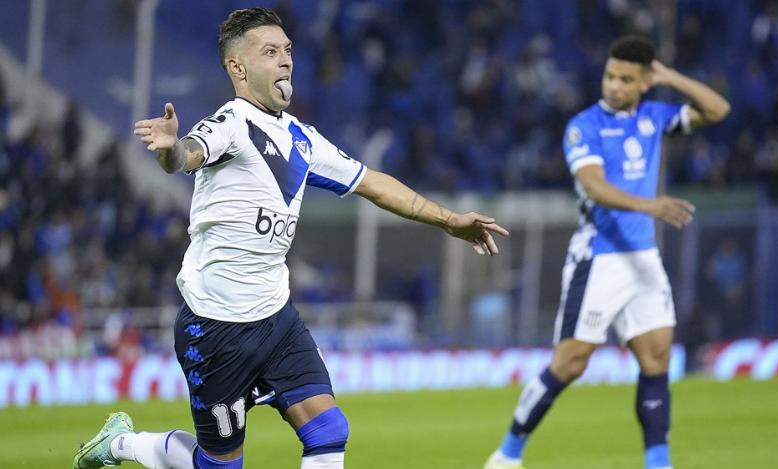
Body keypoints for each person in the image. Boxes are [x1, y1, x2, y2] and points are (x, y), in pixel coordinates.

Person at [73, 8, 508, 469]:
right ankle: (121, 444)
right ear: (237, 68)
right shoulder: (230, 123)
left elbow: (373, 183)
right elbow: (188, 153)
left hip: (276, 319)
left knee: (328, 429)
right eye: (270, 52)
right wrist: (170, 150)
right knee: (219, 465)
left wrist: (448, 220)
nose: (285, 61)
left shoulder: (302, 138)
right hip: (217, 327)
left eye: (287, 51)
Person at [484, 35, 729, 469]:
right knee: (570, 363)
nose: (614, 85)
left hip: (643, 258)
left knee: (656, 359)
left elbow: (717, 110)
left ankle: (658, 462)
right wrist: (650, 205)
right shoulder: (584, 126)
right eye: (609, 76)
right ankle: (508, 452)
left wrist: (670, 76)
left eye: (625, 79)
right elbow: (594, 187)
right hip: (599, 255)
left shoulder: (656, 116)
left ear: (643, 83)